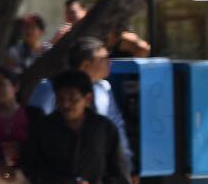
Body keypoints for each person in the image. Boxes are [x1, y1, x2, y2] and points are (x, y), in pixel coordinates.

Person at [29, 37, 133, 172]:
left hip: (99, 169)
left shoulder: (103, 88)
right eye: (103, 59)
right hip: (57, 168)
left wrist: (127, 164)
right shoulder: (49, 89)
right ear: (85, 65)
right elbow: (37, 127)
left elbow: (116, 126)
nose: (110, 63)